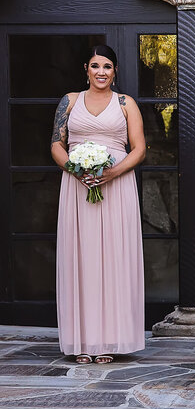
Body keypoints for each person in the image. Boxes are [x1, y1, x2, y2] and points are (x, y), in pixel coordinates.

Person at [52, 45, 146, 363]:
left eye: (107, 66)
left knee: (114, 258)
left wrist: (111, 173)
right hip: (78, 186)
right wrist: (75, 171)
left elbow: (139, 148)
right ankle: (82, 341)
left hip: (116, 185)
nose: (101, 72)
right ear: (86, 69)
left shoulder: (125, 104)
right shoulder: (70, 101)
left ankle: (110, 340)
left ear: (115, 71)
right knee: (82, 258)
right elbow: (56, 144)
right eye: (95, 66)